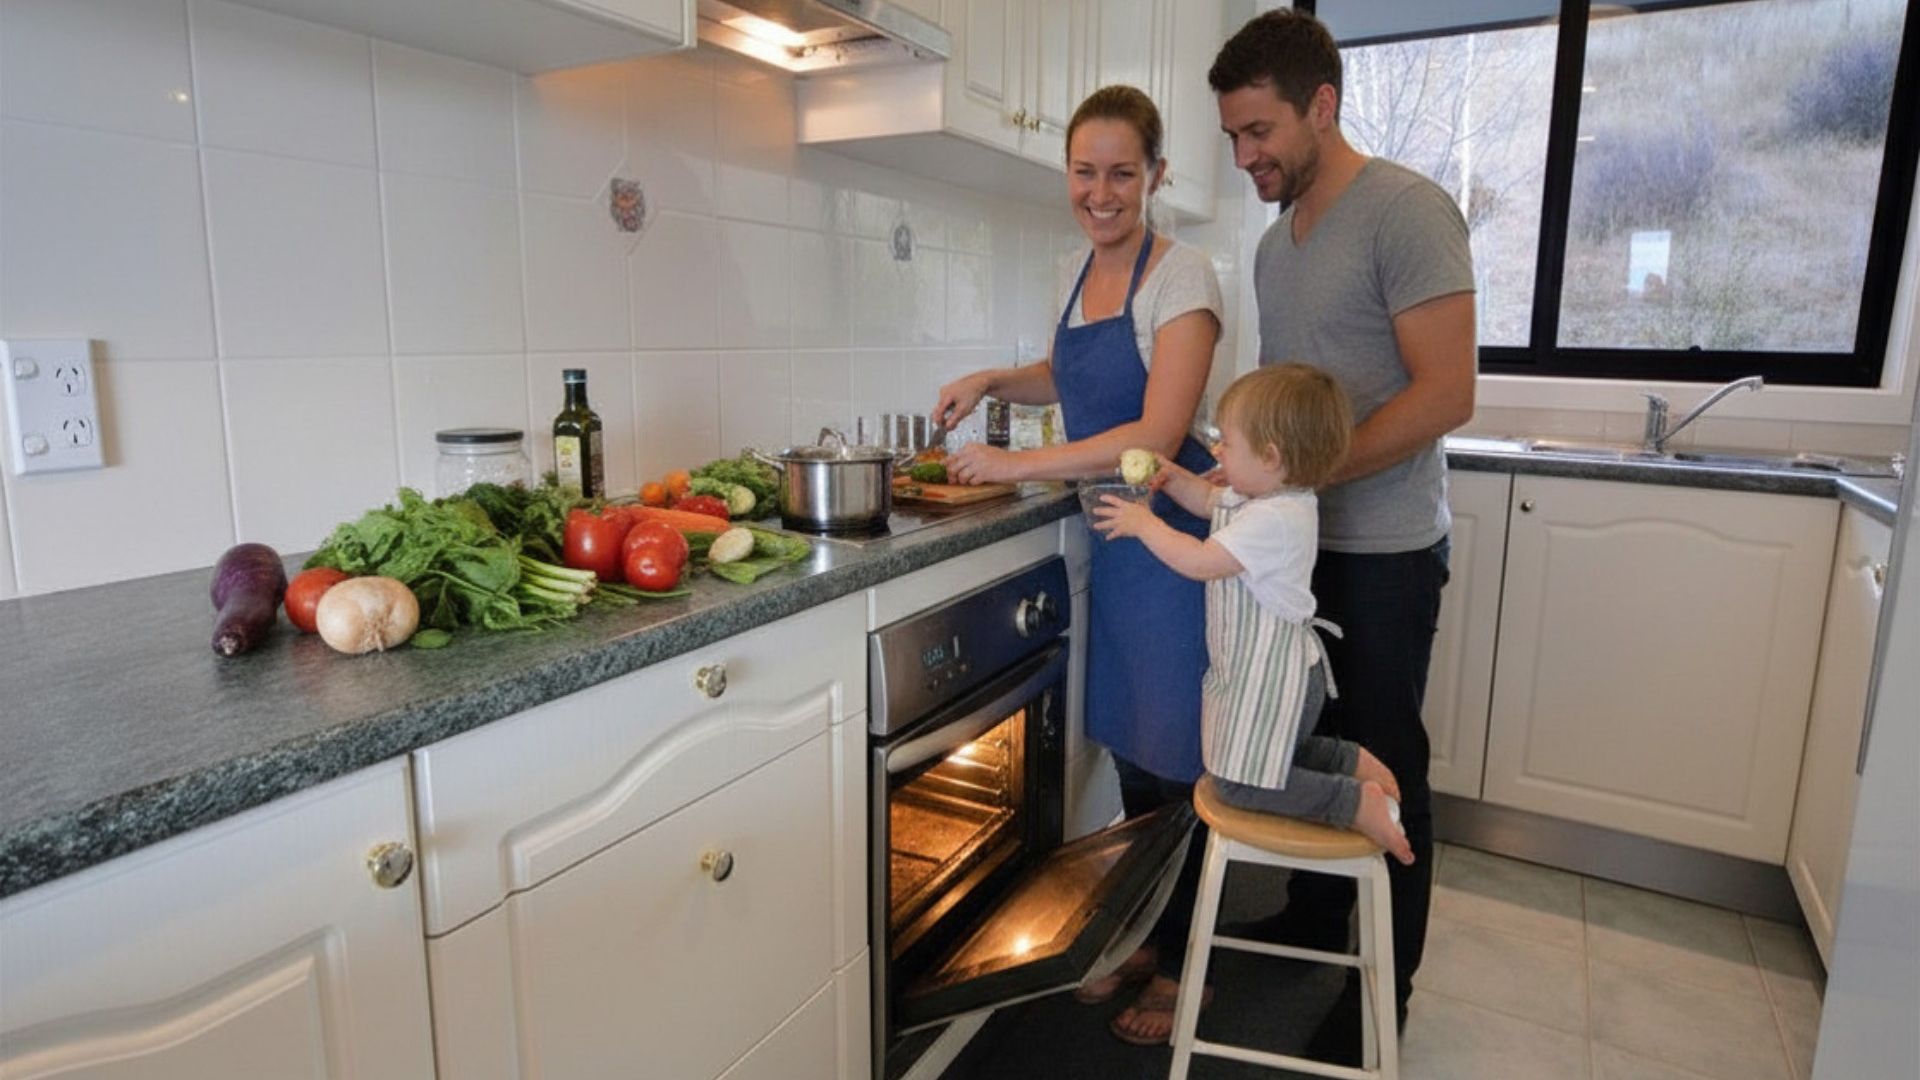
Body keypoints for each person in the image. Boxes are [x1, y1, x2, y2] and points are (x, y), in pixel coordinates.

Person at [1208, 7, 1478, 1060]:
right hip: (1302, 561)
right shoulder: (1275, 250)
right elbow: (1286, 416)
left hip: (1387, 556)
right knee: (1300, 740)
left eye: (1260, 131)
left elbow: (1447, 391)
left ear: (1321, 106)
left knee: (1383, 765)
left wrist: (1305, 476)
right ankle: (1318, 921)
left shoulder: (1406, 212)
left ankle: (1382, 998)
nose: (1246, 156)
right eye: (1234, 136)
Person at [932, 84, 1223, 1047]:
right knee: (1137, 753)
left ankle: (1187, 964)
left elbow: (1157, 432)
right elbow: (1064, 376)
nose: (1101, 194)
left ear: (1156, 175)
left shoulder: (1186, 278)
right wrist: (991, 378)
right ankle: (1147, 935)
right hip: (1113, 532)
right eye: (1084, 173)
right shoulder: (1073, 269)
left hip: (1174, 538)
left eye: (1122, 174)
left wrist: (1017, 464)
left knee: (1182, 765)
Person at [1091, 363, 1414, 865]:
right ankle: (1348, 760)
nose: (1217, 450)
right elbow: (1208, 499)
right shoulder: (1271, 496)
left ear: (1271, 456)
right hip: (1264, 672)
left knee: (1237, 784)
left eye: (1227, 442)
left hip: (1272, 675)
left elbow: (1200, 562)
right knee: (1275, 754)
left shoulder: (1276, 520)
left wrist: (1144, 524)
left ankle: (1351, 802)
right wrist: (1171, 478)